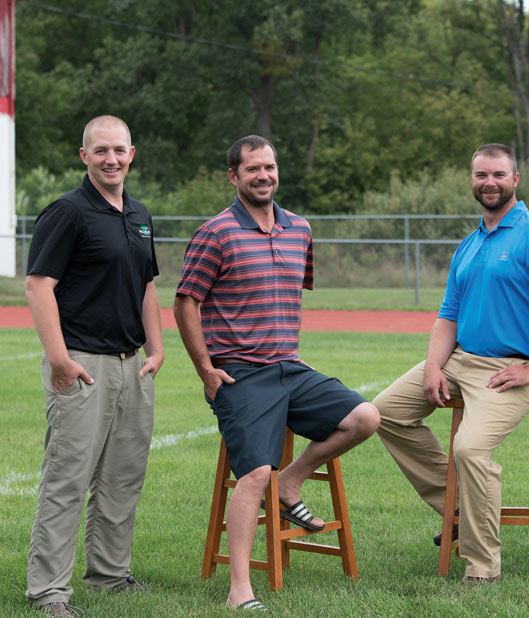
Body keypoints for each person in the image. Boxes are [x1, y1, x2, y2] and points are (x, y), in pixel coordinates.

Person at [174, 135, 379, 611]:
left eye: (270, 166)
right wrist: (206, 369)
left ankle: (290, 482)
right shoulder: (216, 232)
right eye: (252, 169)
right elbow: (186, 302)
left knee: (366, 417)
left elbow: (289, 294)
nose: (263, 175)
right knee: (253, 473)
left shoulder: (300, 229)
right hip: (239, 374)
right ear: (234, 176)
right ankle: (239, 590)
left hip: (289, 366)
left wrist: (290, 350)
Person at [373, 143, 529, 585]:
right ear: (472, 180)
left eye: (499, 175)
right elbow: (448, 315)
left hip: (514, 368)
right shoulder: (469, 244)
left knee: (469, 448)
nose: (489, 183)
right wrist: (433, 366)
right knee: (382, 413)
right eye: (481, 175)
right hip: (460, 359)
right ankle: (462, 511)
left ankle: (483, 567)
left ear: (515, 179)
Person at [25, 115, 163, 616]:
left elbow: (146, 285)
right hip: (82, 363)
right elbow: (39, 285)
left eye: (119, 150)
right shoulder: (66, 212)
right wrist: (59, 359)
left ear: (132, 153)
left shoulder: (140, 214)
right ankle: (49, 592)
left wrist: (157, 348)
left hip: (133, 366)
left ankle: (109, 575)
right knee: (68, 479)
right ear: (84, 155)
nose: (111, 159)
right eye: (100, 150)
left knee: (123, 478)